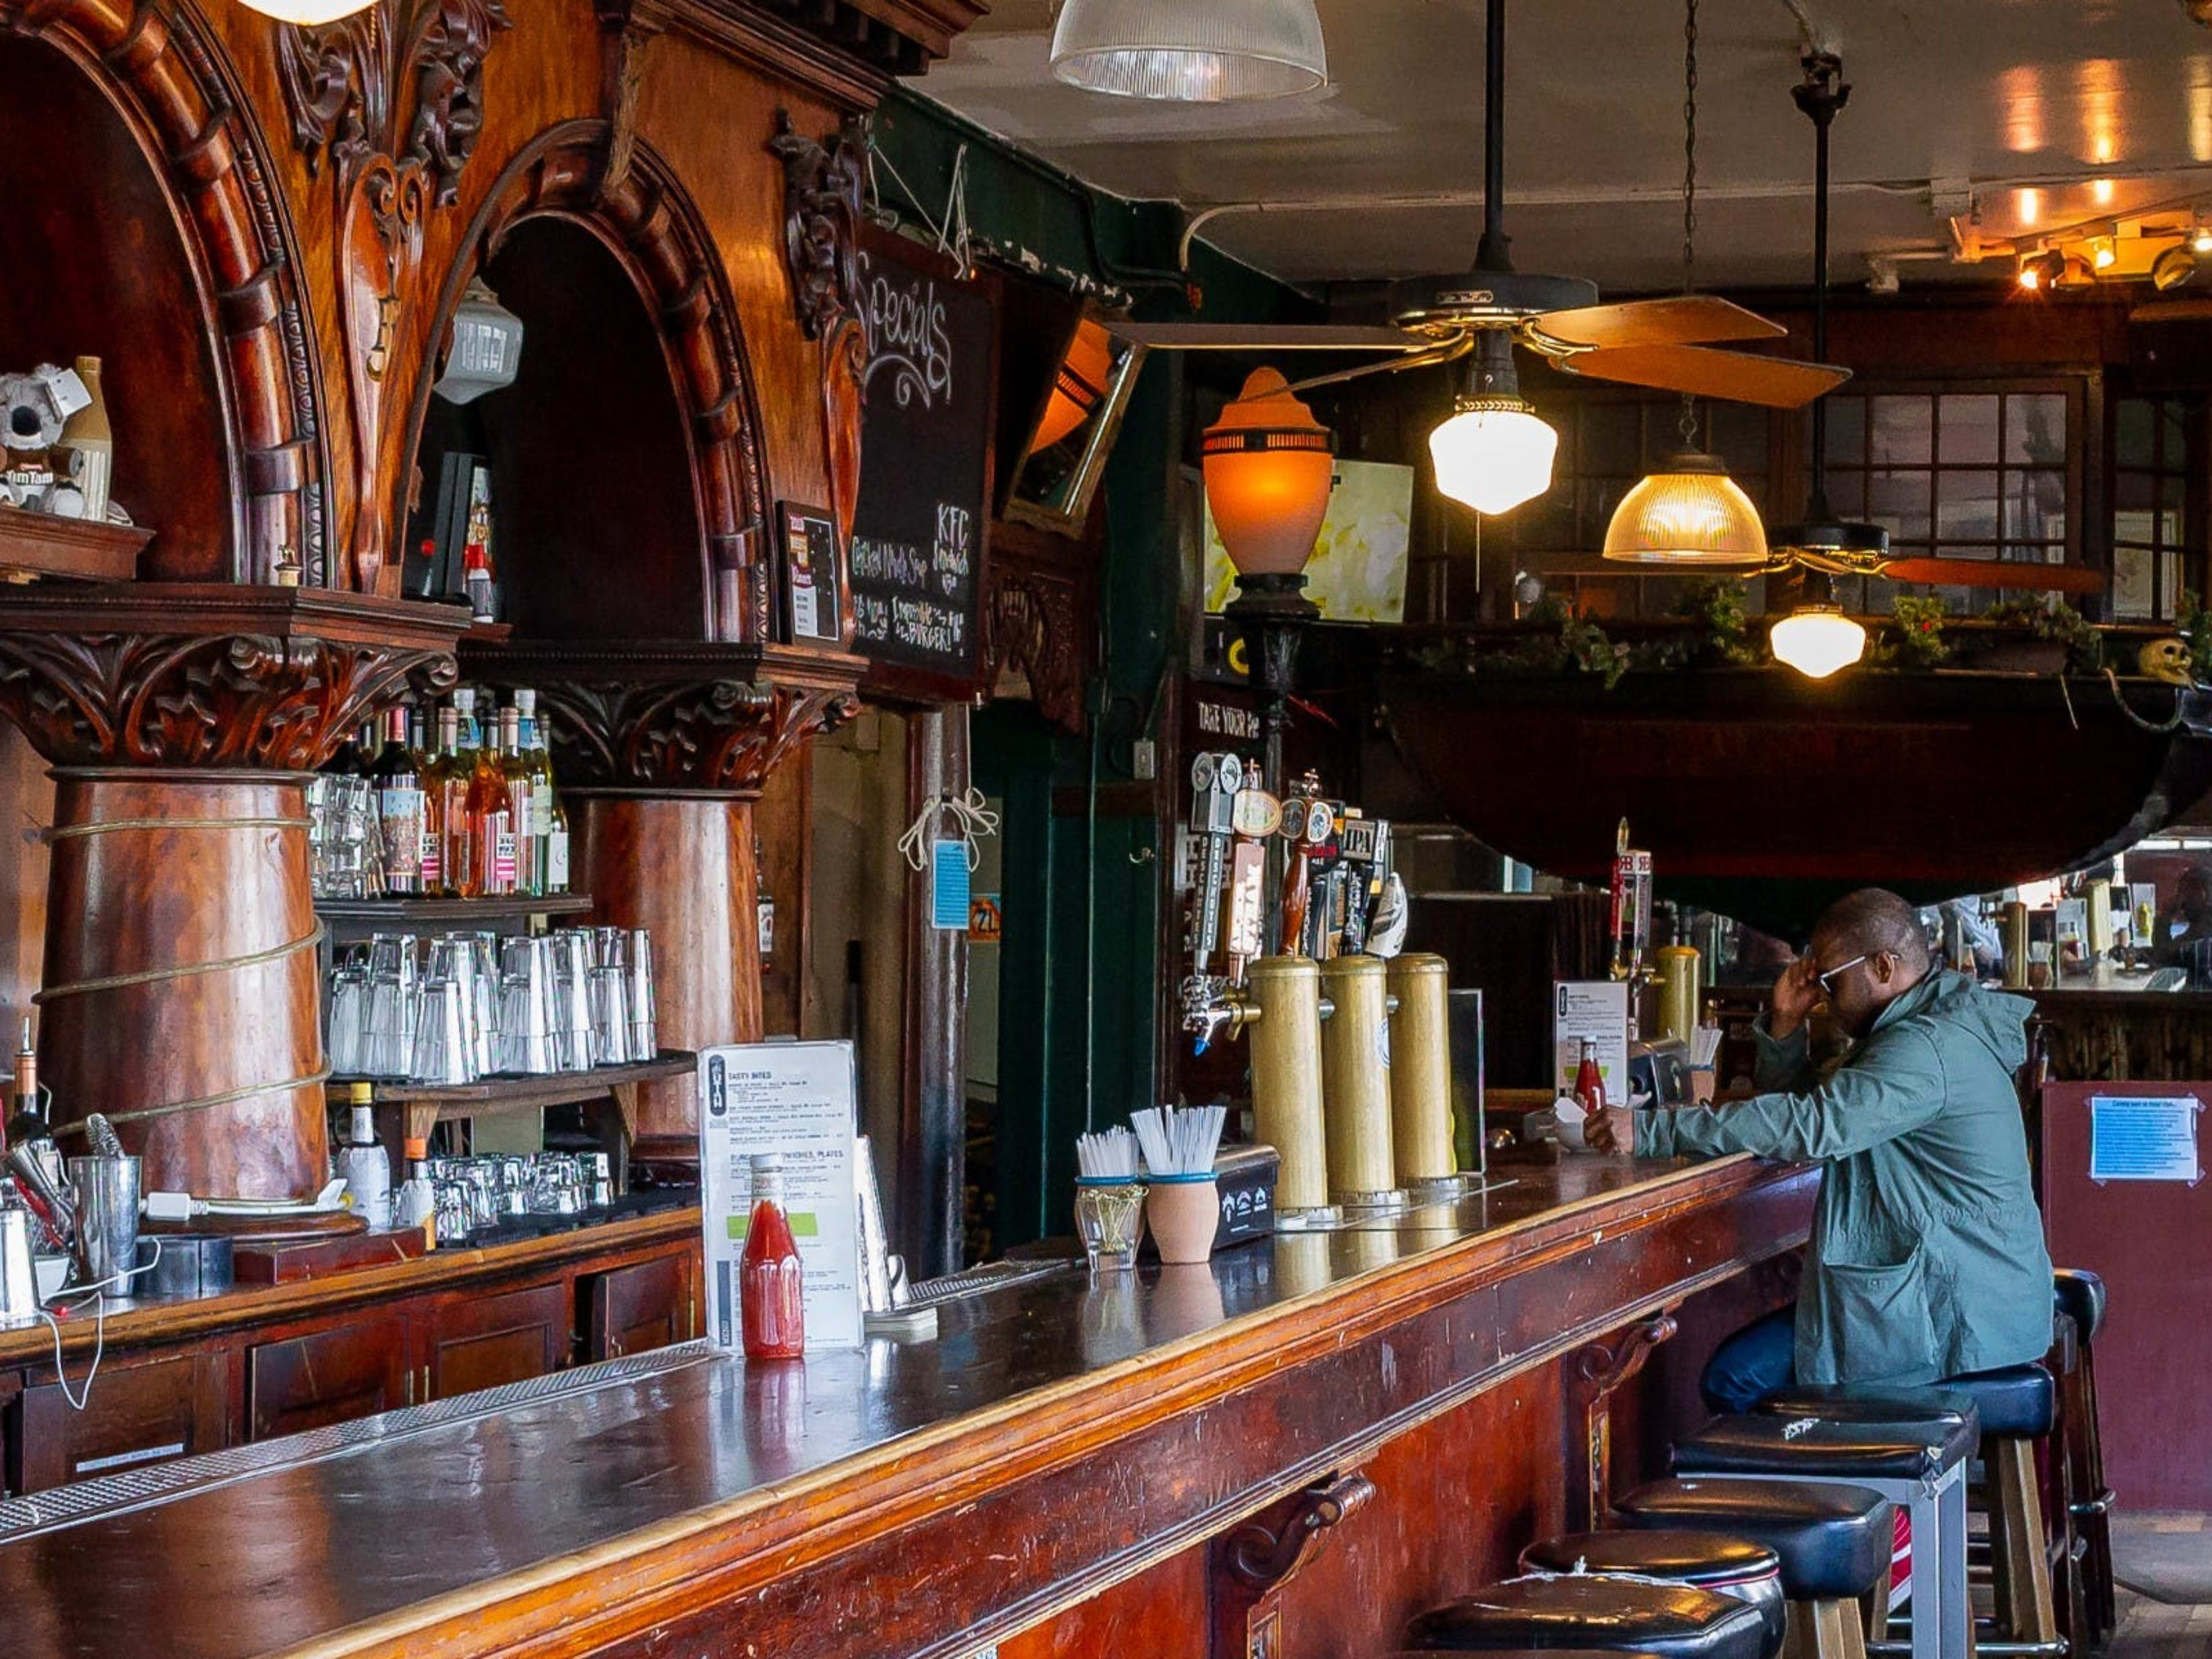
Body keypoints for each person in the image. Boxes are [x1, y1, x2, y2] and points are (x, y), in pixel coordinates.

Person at [1588, 887, 2052, 1411]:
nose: (1825, 995)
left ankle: (1830, 1493)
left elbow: (1815, 1126)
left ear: (1882, 966)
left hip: (1954, 1319)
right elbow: (1820, 1107)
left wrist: (1654, 1131)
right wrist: (1785, 1027)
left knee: (1733, 1380)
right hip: (1964, 1297)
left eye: (1831, 980)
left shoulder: (1923, 1049)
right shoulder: (1925, 1028)